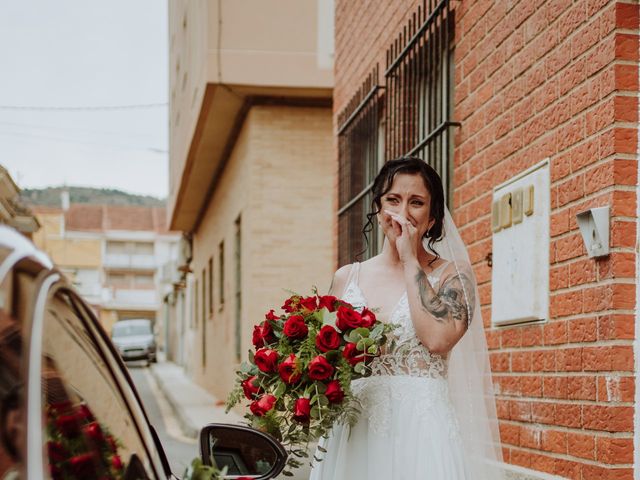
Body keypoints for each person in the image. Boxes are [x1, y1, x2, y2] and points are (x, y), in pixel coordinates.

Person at [309, 157, 503, 479]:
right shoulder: (346, 278)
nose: (402, 212)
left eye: (416, 202)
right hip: (355, 431)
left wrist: (410, 257)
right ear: (378, 208)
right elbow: (327, 365)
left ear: (432, 217)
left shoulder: (452, 276)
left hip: (421, 432)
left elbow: (438, 339)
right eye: (393, 200)